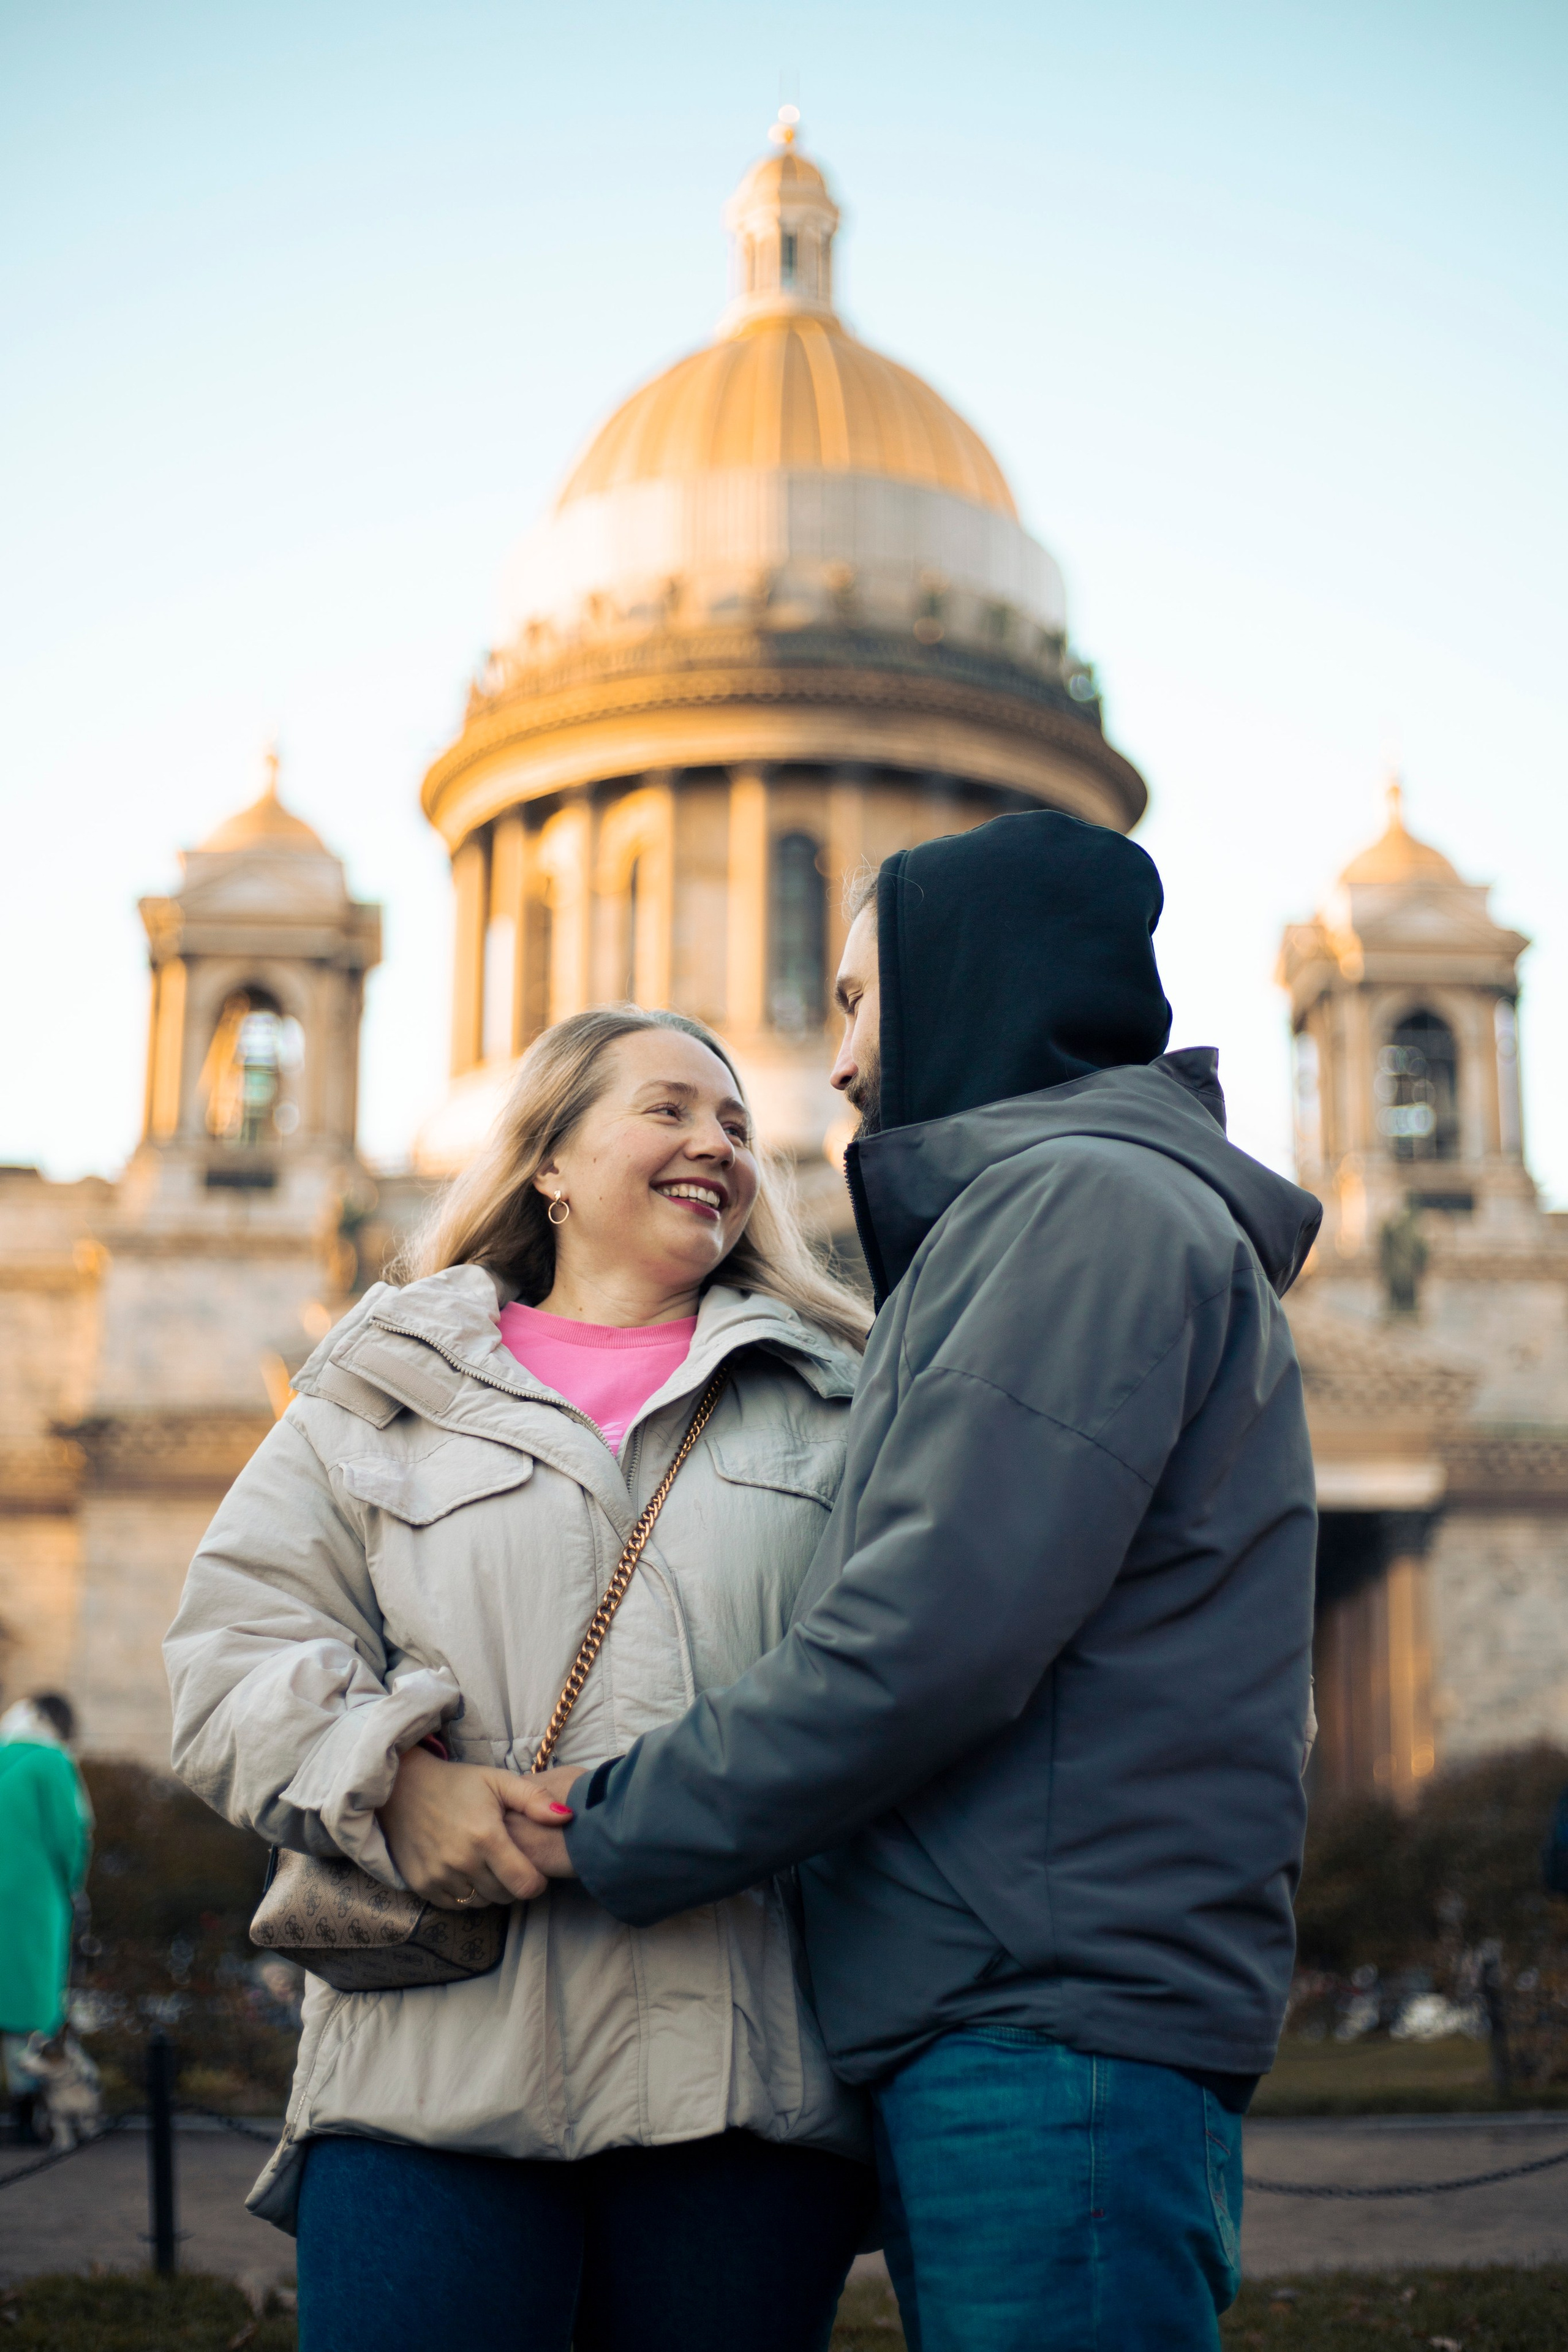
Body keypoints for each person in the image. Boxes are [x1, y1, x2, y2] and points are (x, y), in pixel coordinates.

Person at [508, 813, 1324, 2352]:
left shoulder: (1072, 1211)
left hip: (1040, 2013)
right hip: (1020, 1996)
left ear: (967, 981)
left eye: (859, 999)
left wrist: (581, 1825)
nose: (843, 1063)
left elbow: (919, 1642)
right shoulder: (1061, 1217)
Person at [164, 1008, 876, 2352]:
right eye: (665, 1110)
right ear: (547, 1157)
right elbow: (229, 1654)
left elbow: (895, 1686)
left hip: (740, 2081)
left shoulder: (843, 1393)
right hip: (428, 2078)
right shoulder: (375, 1386)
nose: (715, 1144)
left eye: (733, 1124)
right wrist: (389, 1782)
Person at [0, 1693, 92, 2144]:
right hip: (33, 1900)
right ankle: (28, 2113)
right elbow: (69, 1834)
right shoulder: (53, 1762)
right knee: (32, 2009)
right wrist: (74, 1884)